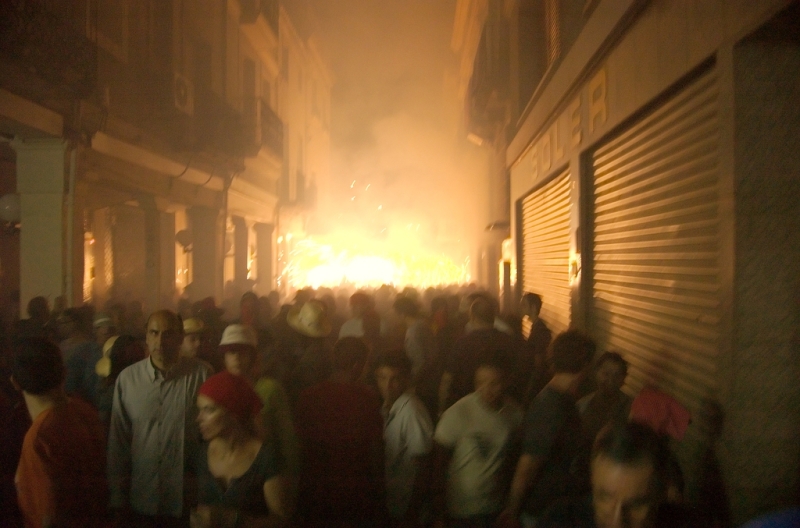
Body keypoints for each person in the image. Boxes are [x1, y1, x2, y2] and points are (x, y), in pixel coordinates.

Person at [107, 309, 211, 526]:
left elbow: (211, 440)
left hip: (186, 502)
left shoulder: (202, 376)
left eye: (168, 334)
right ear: (146, 336)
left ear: (180, 338)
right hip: (142, 500)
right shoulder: (128, 380)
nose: (160, 341)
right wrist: (117, 498)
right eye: (154, 333)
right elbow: (119, 443)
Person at [500, 330, 594, 527]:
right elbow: (527, 466)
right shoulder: (551, 406)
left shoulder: (562, 398)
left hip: (555, 507)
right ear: (585, 364)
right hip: (542, 512)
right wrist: (512, 512)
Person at [12, 337, 108, 527]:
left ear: (15, 382)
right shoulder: (85, 411)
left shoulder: (40, 438)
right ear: (64, 373)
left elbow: (48, 515)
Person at [537, 422, 708, 528]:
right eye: (604, 497)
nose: (617, 522)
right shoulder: (559, 521)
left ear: (662, 493)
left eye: (636, 504)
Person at [294, 336, 386, 527]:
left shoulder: (308, 396)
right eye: (365, 364)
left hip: (315, 486)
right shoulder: (366, 398)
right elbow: (375, 447)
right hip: (354, 488)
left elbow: (299, 443)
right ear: (357, 365)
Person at [432, 352, 524, 528]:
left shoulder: (514, 414)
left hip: (494, 509)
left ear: (507, 381)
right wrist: (438, 513)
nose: (486, 389)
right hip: (460, 511)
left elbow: (512, 459)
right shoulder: (458, 413)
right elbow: (437, 465)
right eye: (480, 382)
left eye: (494, 383)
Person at [192, 371, 292, 528]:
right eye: (200, 409)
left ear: (233, 413)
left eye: (209, 410)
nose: (199, 418)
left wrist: (233, 520)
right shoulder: (202, 452)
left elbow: (282, 521)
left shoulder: (265, 458)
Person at [219, 324, 300, 484]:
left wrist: (290, 480)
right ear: (224, 357)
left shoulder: (270, 390)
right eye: (231, 352)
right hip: (229, 478)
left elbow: (287, 442)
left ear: (253, 356)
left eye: (243, 352)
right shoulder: (218, 390)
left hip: (265, 477)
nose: (236, 358)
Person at [375, 350, 434, 526]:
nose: (387, 385)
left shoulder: (410, 410)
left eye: (394, 379)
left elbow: (424, 465)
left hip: (407, 511)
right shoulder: (388, 407)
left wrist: (412, 512)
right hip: (396, 507)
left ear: (407, 378)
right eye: (382, 377)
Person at [439, 296, 519, 414]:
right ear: (493, 317)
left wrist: (442, 410)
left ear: (472, 317)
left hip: (468, 409)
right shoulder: (508, 341)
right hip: (500, 408)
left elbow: (447, 379)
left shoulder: (463, 343)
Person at [577, 352, 632, 450]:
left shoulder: (631, 408)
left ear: (623, 379)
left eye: (617, 376)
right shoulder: (583, 404)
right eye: (606, 374)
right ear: (596, 372)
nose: (610, 380)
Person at [518, 293, 552, 404]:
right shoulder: (536, 327)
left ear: (533, 307)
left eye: (524, 305)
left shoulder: (540, 331)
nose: (521, 308)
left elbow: (539, 361)